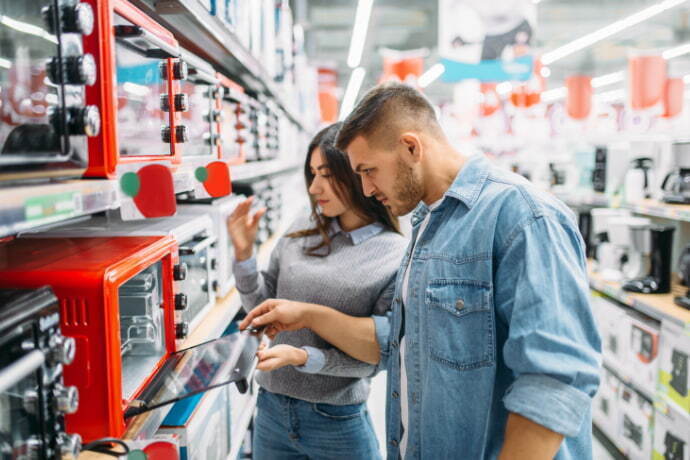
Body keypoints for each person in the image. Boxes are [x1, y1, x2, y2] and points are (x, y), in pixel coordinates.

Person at [240, 83, 602, 459]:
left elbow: (554, 379)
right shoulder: (428, 224)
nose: (364, 189)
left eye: (369, 170)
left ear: (411, 147)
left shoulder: (523, 216)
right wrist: (307, 319)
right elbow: (398, 343)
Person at [227, 122, 407, 460]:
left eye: (326, 174)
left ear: (354, 173)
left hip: (336, 421)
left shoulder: (393, 253)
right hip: (271, 411)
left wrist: (305, 357)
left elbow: (378, 357)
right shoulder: (302, 229)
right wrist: (243, 255)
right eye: (312, 174)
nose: (314, 188)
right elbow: (263, 309)